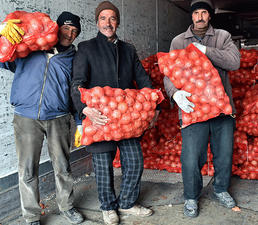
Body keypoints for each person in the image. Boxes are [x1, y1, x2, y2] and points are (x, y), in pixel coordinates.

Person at [0, 12, 84, 225]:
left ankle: (67, 206)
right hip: (26, 118)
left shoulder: (75, 59)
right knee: (27, 169)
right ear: (56, 27)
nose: (69, 34)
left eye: (74, 31)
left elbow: (77, 94)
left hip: (59, 118)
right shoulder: (28, 50)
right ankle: (31, 216)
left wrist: (80, 124)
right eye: (66, 28)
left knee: (63, 167)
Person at [70, 2, 160, 225]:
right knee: (103, 166)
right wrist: (84, 109)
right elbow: (77, 84)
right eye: (103, 18)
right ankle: (108, 207)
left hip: (126, 117)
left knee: (135, 161)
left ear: (117, 22)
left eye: (112, 18)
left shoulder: (128, 49)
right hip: (100, 118)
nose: (108, 23)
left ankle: (127, 203)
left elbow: (143, 80)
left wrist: (154, 106)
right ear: (97, 22)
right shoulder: (86, 48)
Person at [163, 0, 241, 218]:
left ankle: (221, 190)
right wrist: (174, 93)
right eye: (196, 13)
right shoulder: (178, 41)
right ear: (191, 16)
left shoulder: (222, 37)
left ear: (209, 16)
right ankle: (191, 196)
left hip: (220, 108)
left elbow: (234, 62)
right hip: (192, 109)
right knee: (191, 156)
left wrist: (206, 50)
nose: (199, 17)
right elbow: (168, 72)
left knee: (223, 153)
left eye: (204, 12)